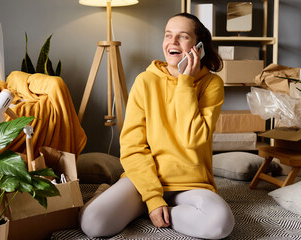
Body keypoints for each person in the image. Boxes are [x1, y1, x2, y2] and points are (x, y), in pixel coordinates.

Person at [80, 12, 235, 239]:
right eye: (168, 35)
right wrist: (152, 197)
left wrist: (185, 82)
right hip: (144, 181)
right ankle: (150, 207)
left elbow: (194, 139)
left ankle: (160, 212)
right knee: (92, 224)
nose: (172, 42)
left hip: (191, 183)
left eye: (182, 36)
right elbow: (133, 146)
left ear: (198, 47)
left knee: (221, 224)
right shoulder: (146, 81)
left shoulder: (212, 84)